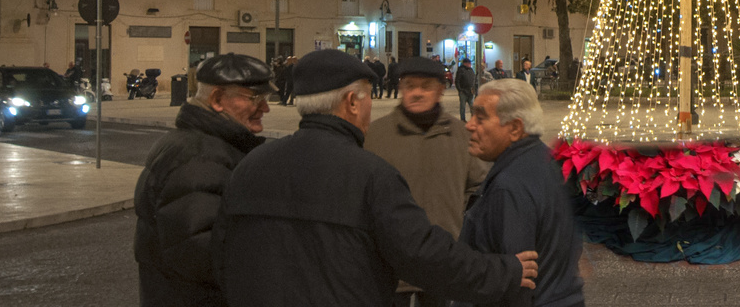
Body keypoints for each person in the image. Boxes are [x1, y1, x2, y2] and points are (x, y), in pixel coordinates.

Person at [216, 50, 534, 307]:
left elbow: (222, 257)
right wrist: (504, 271)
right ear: (352, 103)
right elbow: (424, 254)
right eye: (368, 97)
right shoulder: (371, 173)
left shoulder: (250, 166)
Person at [135, 53, 275, 307]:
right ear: (217, 99)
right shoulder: (200, 156)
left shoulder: (201, 144)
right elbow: (199, 252)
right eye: (256, 99)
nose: (265, 108)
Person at [365, 56, 485, 307]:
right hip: (389, 262)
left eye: (426, 86)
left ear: (441, 89)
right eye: (410, 85)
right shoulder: (375, 135)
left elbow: (477, 185)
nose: (417, 93)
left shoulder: (460, 135)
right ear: (400, 88)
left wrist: (456, 218)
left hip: (441, 260)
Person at [460, 79, 584, 307]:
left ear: (515, 128)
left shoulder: (509, 186)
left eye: (480, 117)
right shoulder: (548, 162)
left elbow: (517, 284)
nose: (469, 125)